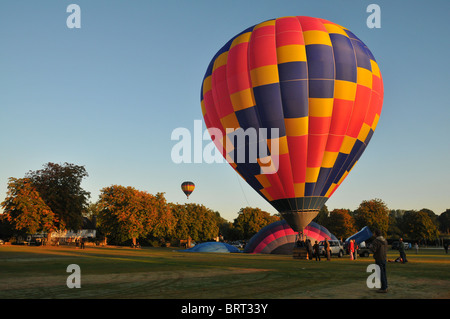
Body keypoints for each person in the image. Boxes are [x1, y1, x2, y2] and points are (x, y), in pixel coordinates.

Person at [369, 229, 388, 293]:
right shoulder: (385, 240)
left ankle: (383, 288)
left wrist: (371, 247)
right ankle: (385, 286)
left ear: (376, 234)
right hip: (384, 258)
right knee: (384, 273)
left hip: (378, 258)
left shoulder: (376, 241)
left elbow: (373, 250)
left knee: (380, 273)